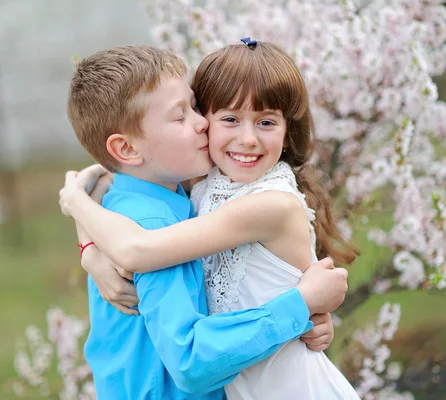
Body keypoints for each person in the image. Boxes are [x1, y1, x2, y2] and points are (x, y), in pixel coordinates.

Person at [62, 45, 350, 400]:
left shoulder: (194, 186)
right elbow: (189, 361)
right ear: (128, 150)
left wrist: (78, 211)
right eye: (182, 115)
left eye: (195, 107)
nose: (202, 123)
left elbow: (106, 182)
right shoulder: (155, 219)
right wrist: (300, 306)